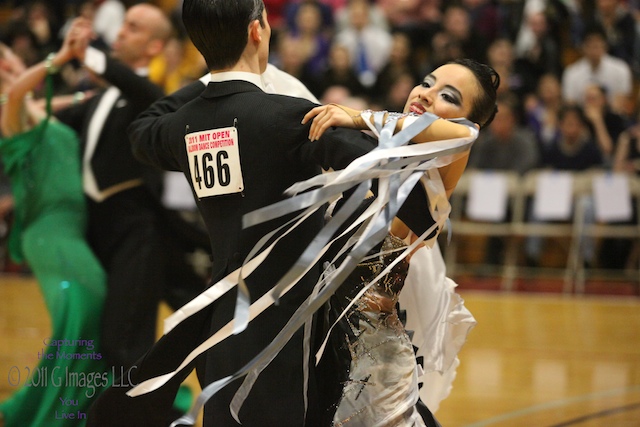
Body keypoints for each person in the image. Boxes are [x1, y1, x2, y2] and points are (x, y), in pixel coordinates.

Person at [88, 1, 487, 426]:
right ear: (258, 30)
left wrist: (215, 74)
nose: (425, 93)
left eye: (446, 94)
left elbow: (144, 129)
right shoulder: (295, 122)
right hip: (304, 345)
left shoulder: (186, 127)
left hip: (313, 357)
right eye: (426, 83)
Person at [53, 5, 206, 379]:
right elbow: (42, 120)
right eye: (122, 25)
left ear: (154, 47)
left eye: (133, 28)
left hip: (138, 231)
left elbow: (137, 87)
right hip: (93, 230)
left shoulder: (151, 98)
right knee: (96, 335)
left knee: (124, 341)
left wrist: (84, 52)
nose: (120, 33)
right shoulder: (96, 97)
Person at [0, 35, 107, 426]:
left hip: (72, 233)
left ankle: (51, 407)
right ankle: (57, 414)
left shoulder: (37, 109)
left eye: (6, 54)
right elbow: (16, 96)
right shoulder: (8, 109)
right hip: (49, 234)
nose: (5, 62)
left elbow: (65, 103)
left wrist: (94, 94)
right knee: (81, 315)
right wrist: (61, 57)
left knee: (88, 317)